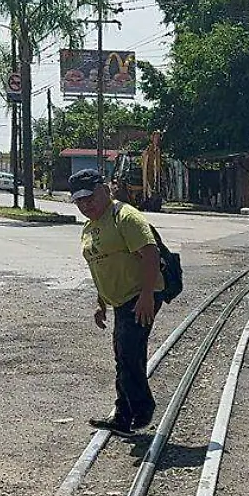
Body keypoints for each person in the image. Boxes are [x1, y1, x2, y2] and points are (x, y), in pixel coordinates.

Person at [72, 168, 164, 432]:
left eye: (90, 198)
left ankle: (141, 409)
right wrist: (101, 302)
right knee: (123, 355)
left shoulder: (125, 216)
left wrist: (147, 295)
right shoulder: (90, 227)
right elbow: (100, 265)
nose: (86, 205)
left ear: (104, 190)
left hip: (139, 296)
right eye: (80, 201)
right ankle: (123, 416)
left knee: (128, 354)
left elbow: (150, 254)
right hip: (119, 300)